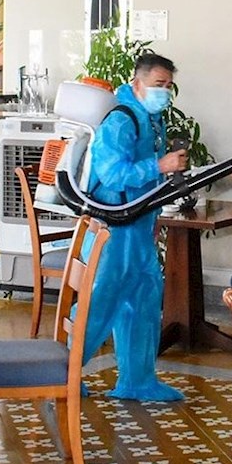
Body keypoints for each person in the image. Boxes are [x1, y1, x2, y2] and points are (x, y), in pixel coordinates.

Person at [82, 53, 187, 401]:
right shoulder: (121, 120)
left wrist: (152, 218)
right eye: (158, 84)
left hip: (139, 227)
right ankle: (62, 372)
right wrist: (160, 165)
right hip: (113, 230)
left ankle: (138, 380)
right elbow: (113, 175)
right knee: (99, 302)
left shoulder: (151, 120)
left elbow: (145, 184)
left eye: (168, 86)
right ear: (137, 83)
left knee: (143, 303)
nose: (164, 92)